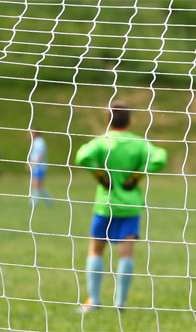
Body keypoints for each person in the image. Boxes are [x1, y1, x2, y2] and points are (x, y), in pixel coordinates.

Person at [75, 101, 167, 312]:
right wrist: (137, 175)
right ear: (131, 121)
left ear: (107, 121)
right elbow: (160, 157)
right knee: (126, 253)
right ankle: (120, 302)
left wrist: (99, 174)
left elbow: (82, 156)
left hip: (105, 204)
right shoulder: (139, 143)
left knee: (96, 250)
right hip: (130, 205)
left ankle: (94, 300)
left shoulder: (101, 142)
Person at [28, 128, 52, 205]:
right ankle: (48, 201)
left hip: (39, 166)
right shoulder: (36, 141)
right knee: (38, 185)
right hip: (37, 166)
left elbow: (41, 155)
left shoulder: (39, 142)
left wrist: (33, 164)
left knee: (37, 184)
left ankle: (34, 202)